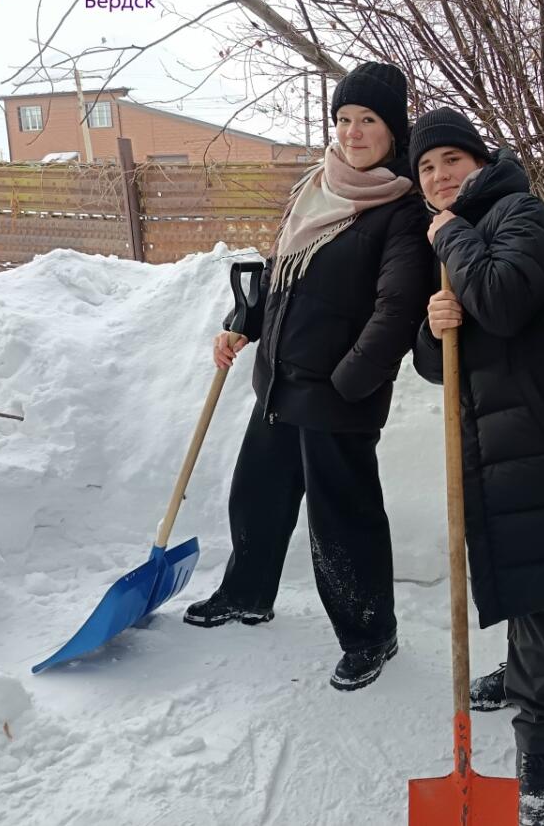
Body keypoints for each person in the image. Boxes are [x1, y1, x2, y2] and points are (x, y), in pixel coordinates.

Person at [184, 62, 433, 693]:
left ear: (393, 129)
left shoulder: (401, 210)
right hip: (279, 381)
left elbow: (396, 310)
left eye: (368, 120)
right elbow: (282, 273)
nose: (353, 132)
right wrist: (244, 324)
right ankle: (246, 593)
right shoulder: (315, 186)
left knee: (342, 522)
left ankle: (371, 635)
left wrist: (348, 383)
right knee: (256, 496)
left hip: (337, 397)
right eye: (344, 119)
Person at [409, 108, 544, 826]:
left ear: (479, 161)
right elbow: (443, 360)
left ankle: (537, 746)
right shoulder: (459, 233)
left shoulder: (521, 214)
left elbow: (499, 302)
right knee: (515, 570)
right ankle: (519, 673)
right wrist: (433, 329)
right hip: (493, 439)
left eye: (451, 160)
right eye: (426, 167)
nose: (439, 176)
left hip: (542, 436)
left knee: (541, 588)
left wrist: (451, 236)